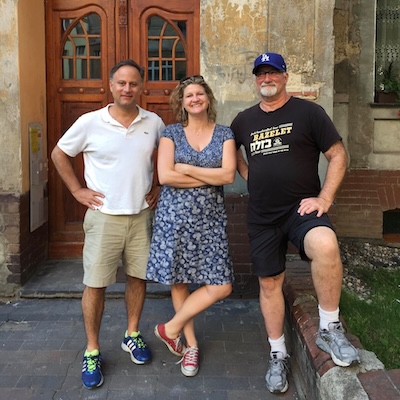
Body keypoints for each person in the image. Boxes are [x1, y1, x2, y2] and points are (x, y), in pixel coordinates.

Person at [230, 52, 360, 394]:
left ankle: (329, 329)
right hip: (262, 216)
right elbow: (232, 152)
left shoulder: (309, 113)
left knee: (326, 245)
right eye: (261, 73)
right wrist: (249, 174)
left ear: (285, 77)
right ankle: (278, 355)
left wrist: (325, 199)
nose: (266, 78)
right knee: (270, 282)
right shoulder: (243, 120)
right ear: (256, 80)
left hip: (300, 210)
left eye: (273, 72)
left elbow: (338, 155)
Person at [51, 59, 165, 389]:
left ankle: (132, 334)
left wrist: (158, 184)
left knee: (137, 278)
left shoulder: (153, 122)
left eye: (133, 83)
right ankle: (92, 350)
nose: (127, 89)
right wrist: (77, 190)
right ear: (111, 86)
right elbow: (59, 154)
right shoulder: (90, 122)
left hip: (141, 215)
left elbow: (165, 155)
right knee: (95, 284)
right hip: (104, 218)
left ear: (141, 87)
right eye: (121, 83)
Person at [146, 75, 236, 377]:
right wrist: (208, 176)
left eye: (199, 94)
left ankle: (170, 328)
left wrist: (186, 168)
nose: (195, 99)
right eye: (189, 96)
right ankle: (190, 346)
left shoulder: (224, 133)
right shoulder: (171, 133)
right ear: (182, 103)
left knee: (221, 285)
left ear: (208, 98)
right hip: (174, 219)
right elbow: (165, 177)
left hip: (210, 220)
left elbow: (228, 176)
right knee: (180, 281)